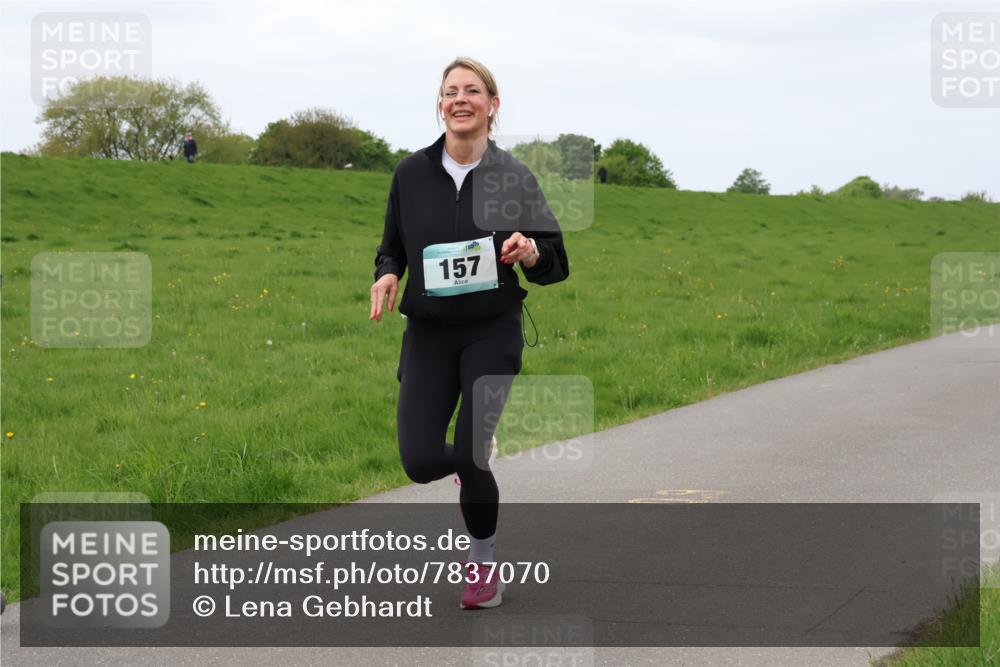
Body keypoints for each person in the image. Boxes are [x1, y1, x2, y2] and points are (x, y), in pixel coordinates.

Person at [369, 56, 569, 610]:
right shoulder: (410, 174)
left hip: (491, 331)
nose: (461, 99)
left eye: (473, 91)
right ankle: (468, 461)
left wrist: (531, 252)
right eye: (451, 91)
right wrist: (387, 272)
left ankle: (483, 566)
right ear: (440, 105)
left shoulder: (514, 177)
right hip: (429, 333)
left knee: (473, 453)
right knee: (418, 461)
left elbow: (556, 261)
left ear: (492, 105)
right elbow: (392, 246)